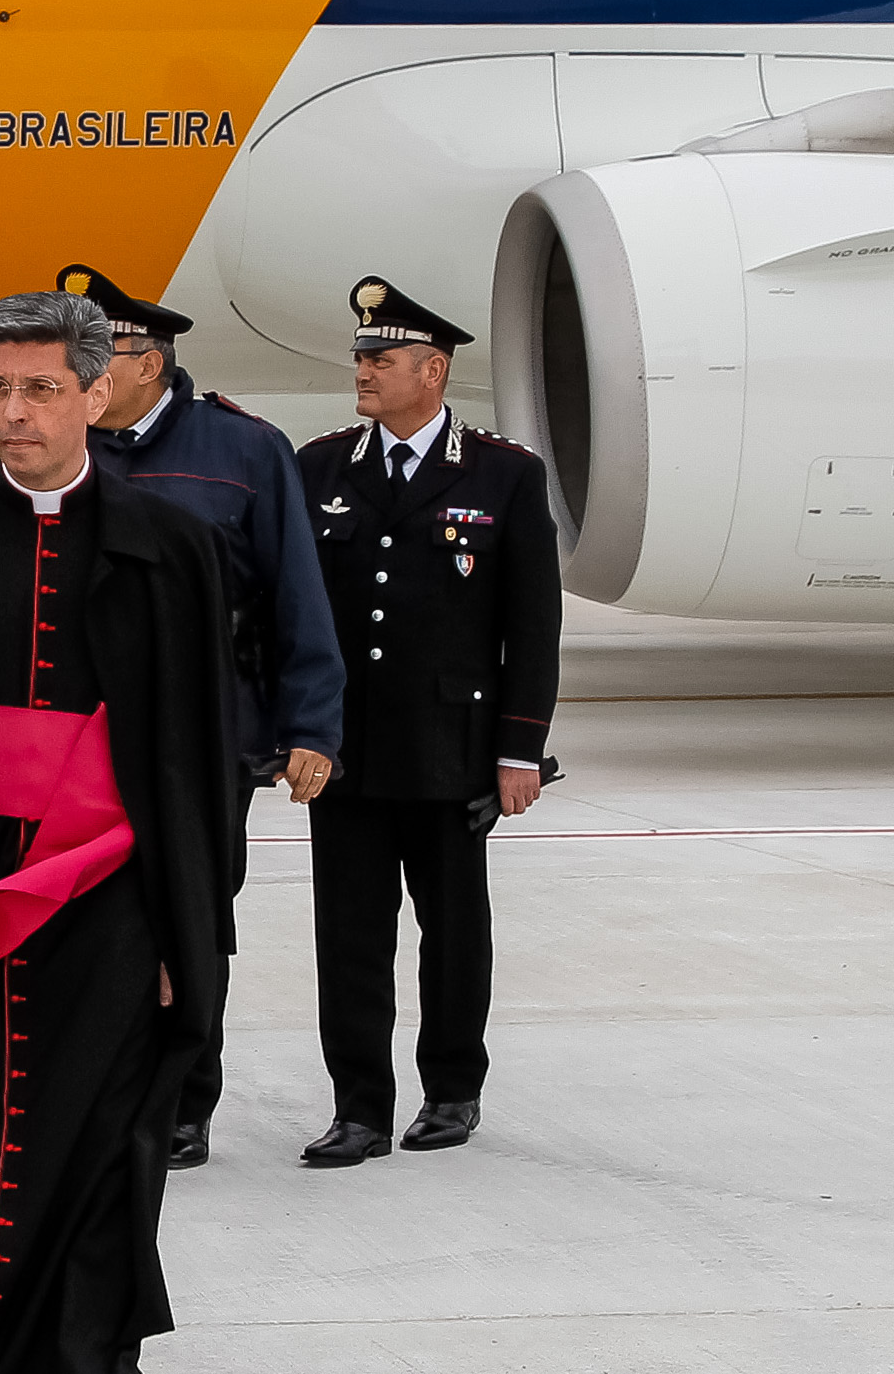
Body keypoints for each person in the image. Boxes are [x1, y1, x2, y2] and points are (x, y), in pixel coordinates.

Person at [0, 289, 237, 1374]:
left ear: (96, 393)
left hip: (109, 916)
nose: (13, 413)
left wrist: (193, 934)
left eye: (39, 389)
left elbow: (201, 756)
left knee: (94, 1163)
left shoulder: (174, 549)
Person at [62, 262, 342, 1169]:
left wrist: (311, 727)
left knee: (190, 914)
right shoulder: (64, 446)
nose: (78, 374)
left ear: (149, 363)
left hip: (208, 735)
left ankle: (183, 1103)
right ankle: (100, 1091)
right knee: (93, 916)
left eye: (96, 356)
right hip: (85, 733)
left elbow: (297, 593)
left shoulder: (243, 449)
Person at [291, 276, 561, 1168]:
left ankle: (451, 1090)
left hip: (453, 750)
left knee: (453, 935)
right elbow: (294, 612)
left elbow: (532, 626)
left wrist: (520, 750)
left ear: (432, 371)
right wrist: (298, 729)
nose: (363, 370)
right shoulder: (321, 467)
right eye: (361, 356)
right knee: (349, 938)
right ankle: (358, 1108)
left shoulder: (504, 473)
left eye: (382, 357)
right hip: (348, 751)